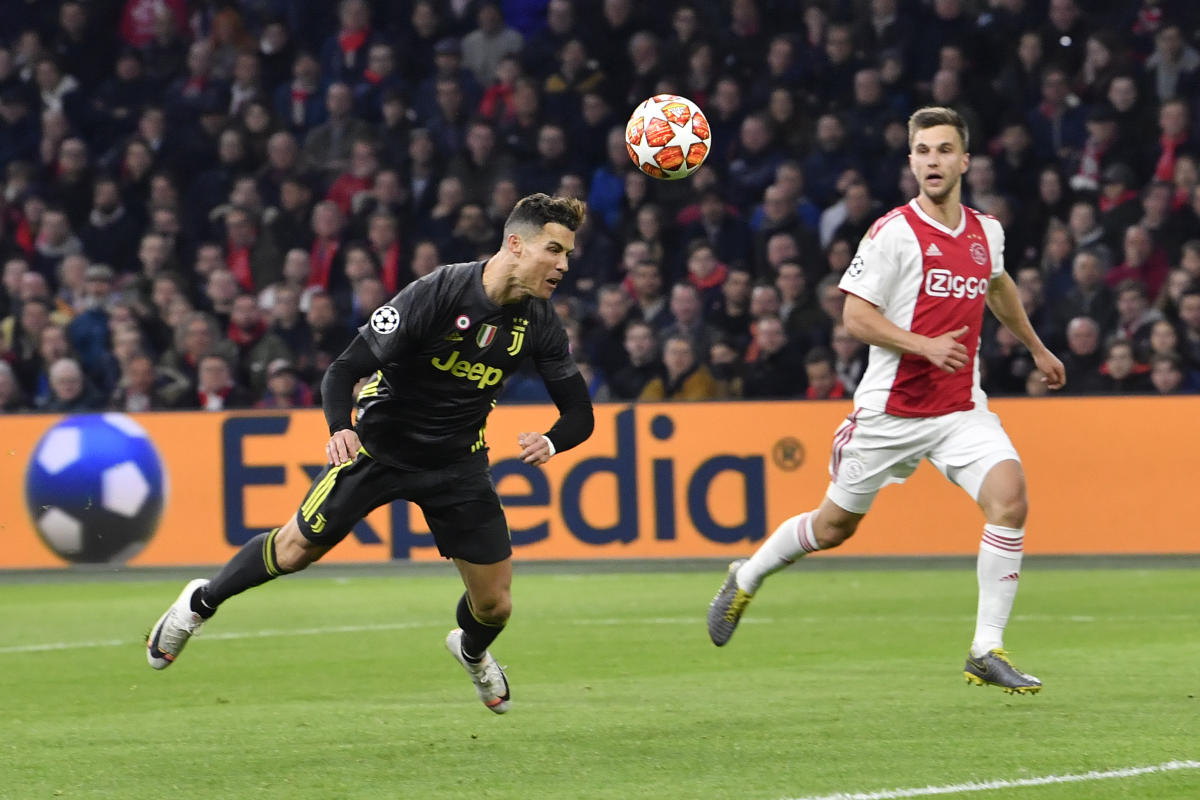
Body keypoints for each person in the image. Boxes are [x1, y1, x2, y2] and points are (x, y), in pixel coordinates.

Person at [146, 194, 595, 715]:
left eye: (568, 254)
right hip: (379, 448)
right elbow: (342, 369)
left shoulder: (539, 321)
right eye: (554, 250)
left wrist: (552, 440)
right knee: (295, 550)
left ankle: (471, 651)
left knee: (495, 605)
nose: (563, 265)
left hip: (456, 464)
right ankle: (196, 605)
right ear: (516, 245)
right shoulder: (438, 292)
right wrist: (341, 427)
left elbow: (579, 414)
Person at [707, 107, 1066, 695]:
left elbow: (997, 286)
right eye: (923, 151)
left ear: (965, 161)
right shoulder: (892, 232)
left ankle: (986, 648)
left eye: (945, 150)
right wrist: (923, 344)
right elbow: (853, 315)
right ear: (911, 162)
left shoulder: (986, 232)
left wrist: (1037, 347)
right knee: (832, 527)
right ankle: (745, 575)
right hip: (888, 415)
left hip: (959, 411)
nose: (933, 161)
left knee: (1010, 501)